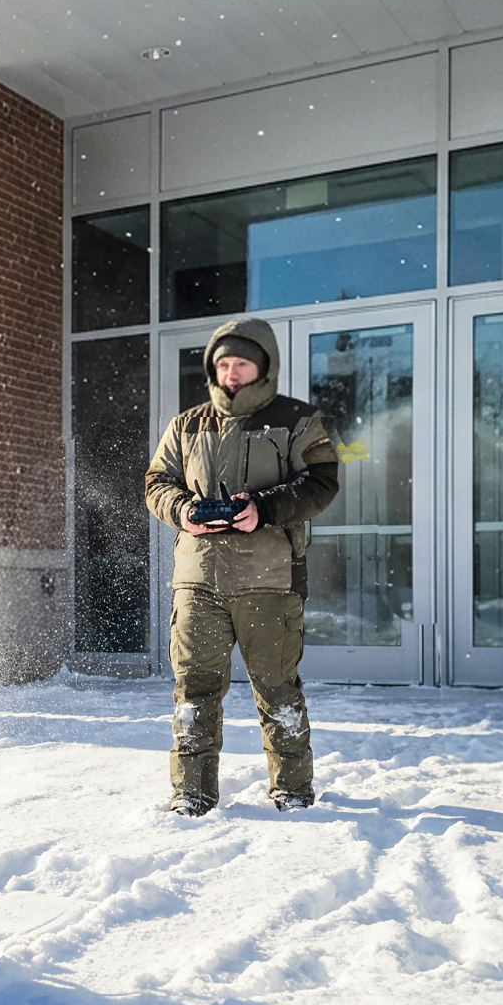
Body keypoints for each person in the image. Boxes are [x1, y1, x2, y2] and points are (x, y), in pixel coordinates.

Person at [143, 317, 339, 815]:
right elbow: (157, 483)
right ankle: (192, 791)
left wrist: (264, 508)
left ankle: (292, 789)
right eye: (223, 363)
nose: (231, 372)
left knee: (277, 688)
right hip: (198, 580)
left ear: (264, 365)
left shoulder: (297, 419)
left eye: (242, 363)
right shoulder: (187, 424)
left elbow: (322, 482)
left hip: (269, 581)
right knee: (194, 691)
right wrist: (183, 510)